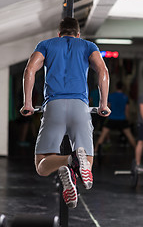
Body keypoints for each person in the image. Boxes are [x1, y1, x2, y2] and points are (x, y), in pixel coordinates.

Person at [20, 17, 111, 208]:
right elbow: (103, 71)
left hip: (54, 107)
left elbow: (30, 70)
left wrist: (27, 103)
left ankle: (69, 160)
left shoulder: (45, 44)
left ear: (59, 34)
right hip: (80, 108)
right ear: (78, 34)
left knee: (42, 166)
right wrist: (103, 104)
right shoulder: (88, 45)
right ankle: (76, 162)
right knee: (87, 161)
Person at [95, 81, 136, 153]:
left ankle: (95, 150)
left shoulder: (111, 96)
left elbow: (107, 107)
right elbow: (127, 110)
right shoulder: (125, 97)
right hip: (122, 119)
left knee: (102, 135)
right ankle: (137, 150)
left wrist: (105, 117)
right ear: (123, 88)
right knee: (130, 136)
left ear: (116, 87)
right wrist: (129, 119)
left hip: (112, 119)